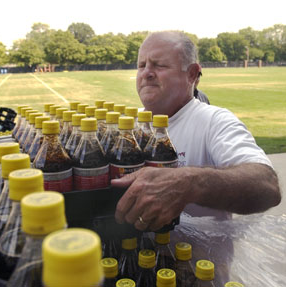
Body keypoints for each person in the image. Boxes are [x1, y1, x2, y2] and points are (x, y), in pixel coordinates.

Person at [113, 31, 281, 231]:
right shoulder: (126, 126)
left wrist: (188, 183)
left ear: (192, 74)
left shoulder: (214, 121)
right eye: (142, 65)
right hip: (133, 260)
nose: (146, 73)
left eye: (159, 65)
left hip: (199, 261)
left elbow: (267, 185)